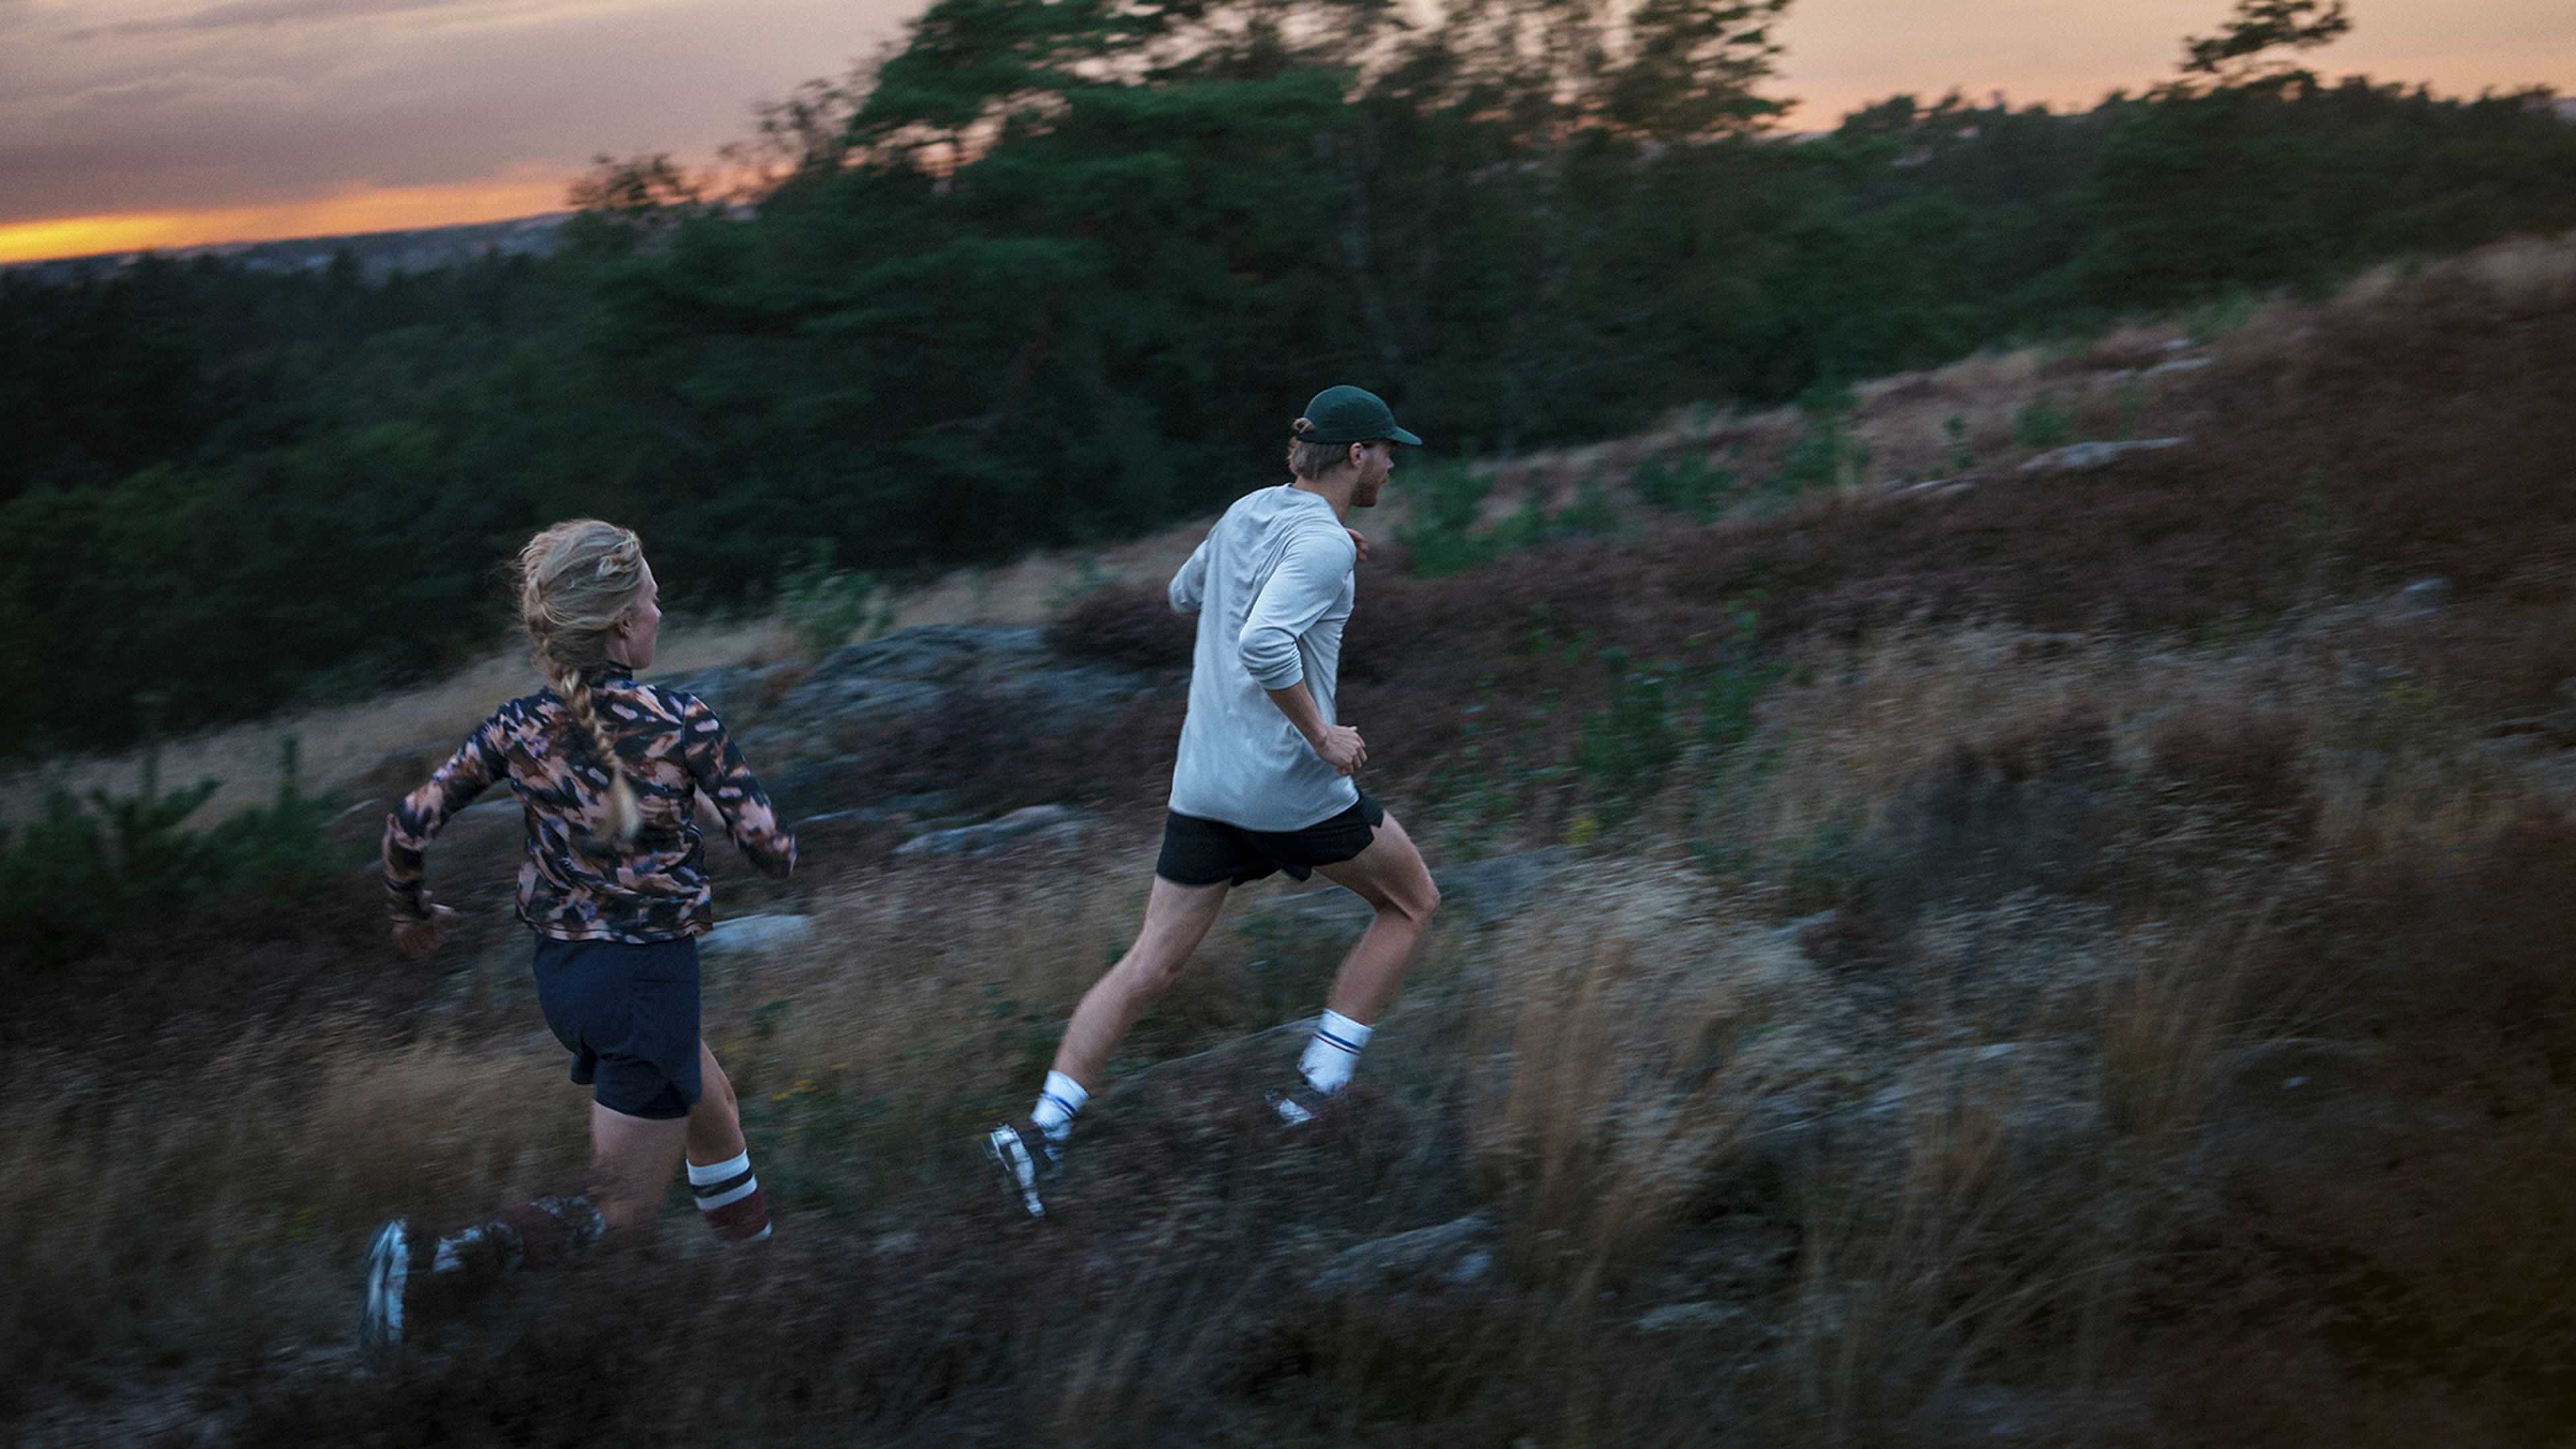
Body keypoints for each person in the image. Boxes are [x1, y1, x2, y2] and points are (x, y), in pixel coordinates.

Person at [984, 385, 1442, 1218]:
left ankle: (1044, 1130)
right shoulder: (1324, 548)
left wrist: (1314, 549)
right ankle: (1319, 1089)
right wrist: (1323, 736)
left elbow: (1182, 597)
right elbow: (1264, 640)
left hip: (1203, 785)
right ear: (1353, 457)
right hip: (1286, 787)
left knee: (1150, 962)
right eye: (1385, 450)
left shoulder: (1252, 513)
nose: (1392, 463)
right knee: (1412, 902)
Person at [360, 519, 798, 1362]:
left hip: (566, 979)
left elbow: (407, 824)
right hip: (646, 982)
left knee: (715, 1110)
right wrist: (702, 802)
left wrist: (410, 914)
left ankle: (759, 1286)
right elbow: (775, 854)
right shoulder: (685, 723)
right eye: (653, 599)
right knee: (622, 1217)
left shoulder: (518, 727)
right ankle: (427, 1266)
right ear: (620, 624)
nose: (661, 612)